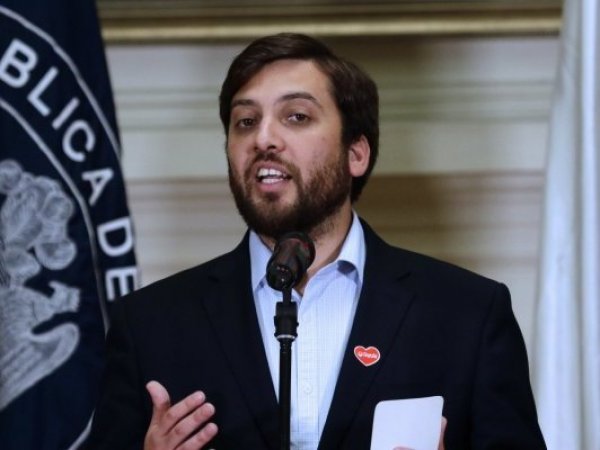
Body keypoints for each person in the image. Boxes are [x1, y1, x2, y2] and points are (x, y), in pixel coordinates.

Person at [87, 33, 546, 450]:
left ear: (356, 153)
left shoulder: (466, 314)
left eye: (296, 116)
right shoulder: (150, 325)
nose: (264, 138)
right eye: (245, 121)